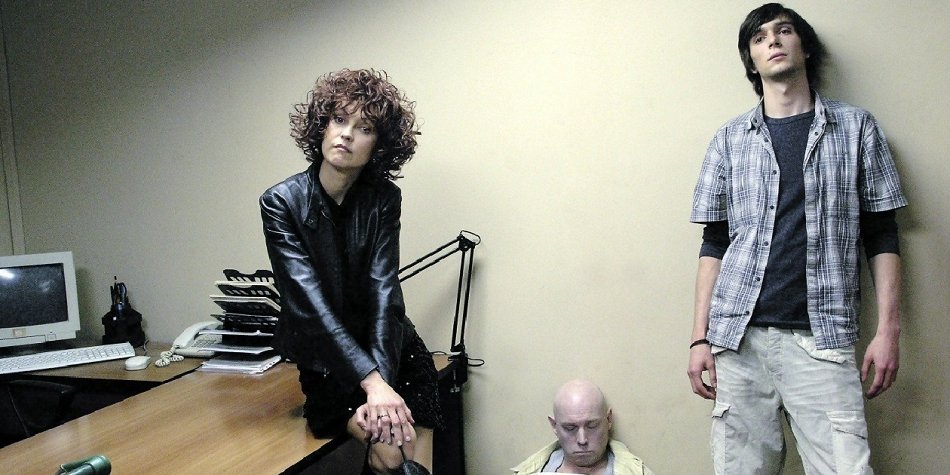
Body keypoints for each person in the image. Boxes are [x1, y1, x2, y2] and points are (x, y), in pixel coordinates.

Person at [687, 3, 906, 474]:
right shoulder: (729, 140)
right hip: (738, 343)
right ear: (751, 62)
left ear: (804, 48)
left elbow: (882, 233)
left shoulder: (857, 129)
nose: (773, 41)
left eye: (784, 31)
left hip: (822, 340)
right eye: (759, 37)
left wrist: (888, 331)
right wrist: (698, 338)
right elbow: (714, 242)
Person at [260, 68, 442, 474]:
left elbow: (384, 293)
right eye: (339, 119)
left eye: (364, 128)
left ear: (378, 145)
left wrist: (383, 386)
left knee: (413, 453)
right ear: (321, 126)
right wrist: (372, 385)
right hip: (329, 362)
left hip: (391, 352)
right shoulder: (281, 202)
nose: (345, 134)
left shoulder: (384, 199)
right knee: (392, 454)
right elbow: (309, 307)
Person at [511, 379, 654, 475]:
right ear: (554, 426)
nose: (582, 440)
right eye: (570, 428)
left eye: (592, 426)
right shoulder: (531, 471)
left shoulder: (638, 472)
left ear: (608, 420)